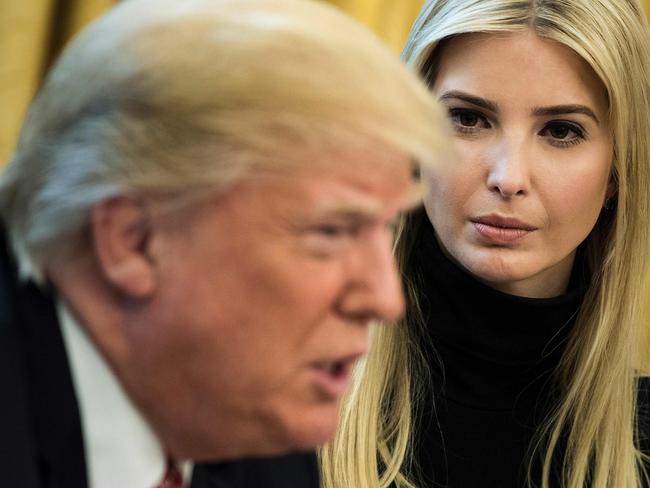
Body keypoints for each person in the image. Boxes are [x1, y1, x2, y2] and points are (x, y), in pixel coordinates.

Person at [0, 0, 451, 486]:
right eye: (332, 232)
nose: (386, 300)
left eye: (386, 230)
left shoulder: (264, 444)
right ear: (135, 240)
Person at [321, 0, 650, 487]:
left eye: (561, 130)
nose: (509, 177)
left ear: (618, 170)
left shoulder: (640, 441)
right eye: (469, 119)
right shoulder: (285, 407)